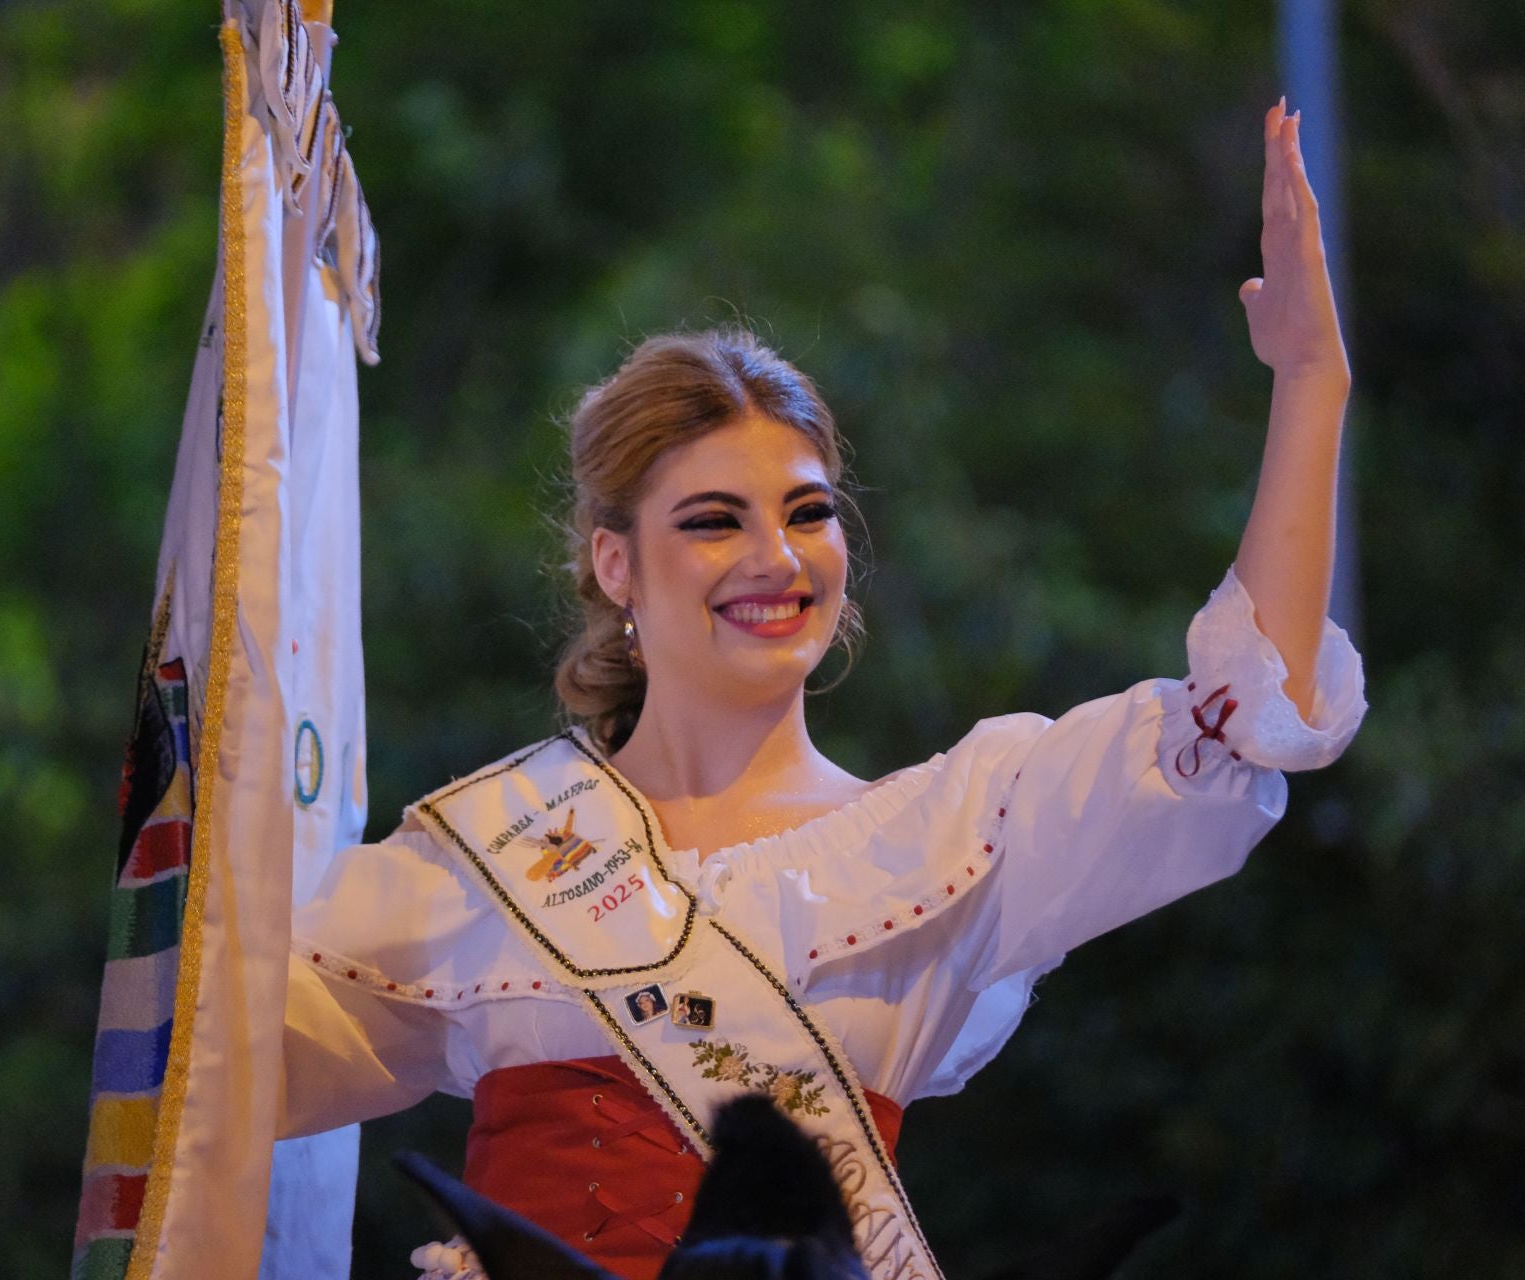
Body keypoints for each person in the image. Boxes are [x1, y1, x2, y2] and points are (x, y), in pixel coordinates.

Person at [279, 101, 1364, 1280]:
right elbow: (224, 1084)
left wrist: (1311, 382)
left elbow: (1246, 716)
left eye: (807, 512)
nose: (777, 559)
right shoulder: (481, 853)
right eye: (713, 522)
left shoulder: (949, 833)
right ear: (614, 563)